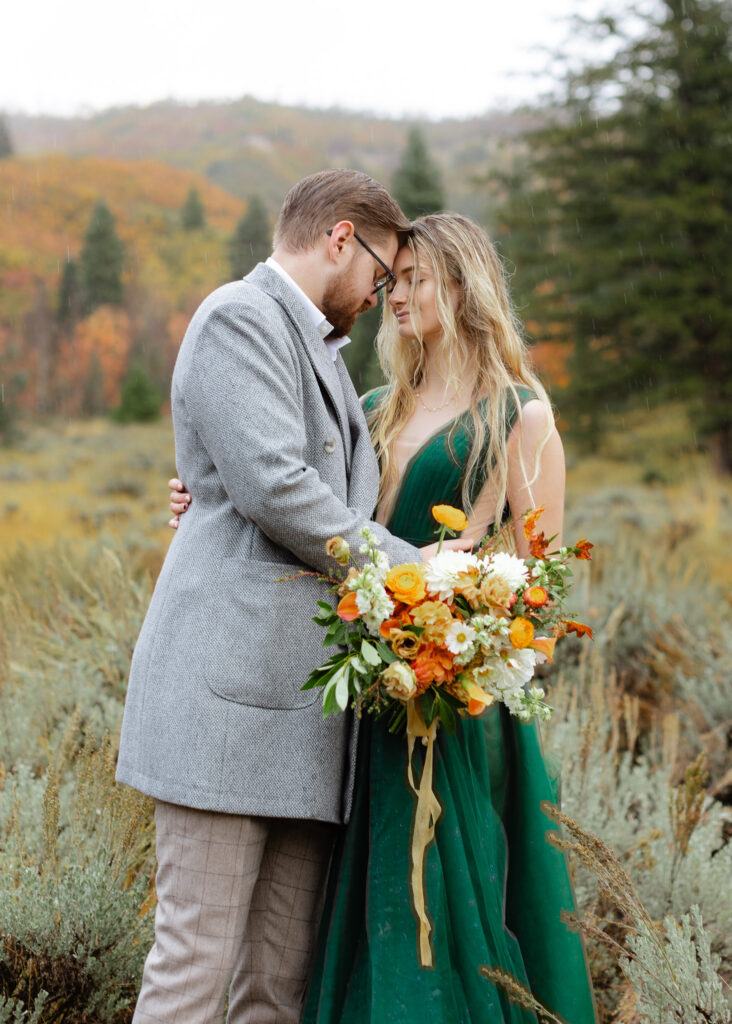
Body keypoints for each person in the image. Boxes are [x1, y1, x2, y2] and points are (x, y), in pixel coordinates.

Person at [169, 213, 598, 1023]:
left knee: (444, 921)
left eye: (413, 279)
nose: (393, 296)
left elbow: (542, 589)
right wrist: (201, 496)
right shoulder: (374, 409)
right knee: (357, 917)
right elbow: (297, 504)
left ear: (464, 284)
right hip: (365, 705)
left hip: (459, 713)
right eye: (389, 280)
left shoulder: (521, 417)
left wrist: (474, 653)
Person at [116, 171, 472, 1024]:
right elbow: (275, 484)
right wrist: (411, 566)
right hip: (228, 711)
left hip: (305, 724)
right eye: (383, 273)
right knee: (195, 969)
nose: (382, 295)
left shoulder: (318, 350)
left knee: (278, 990)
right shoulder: (240, 317)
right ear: (341, 239)